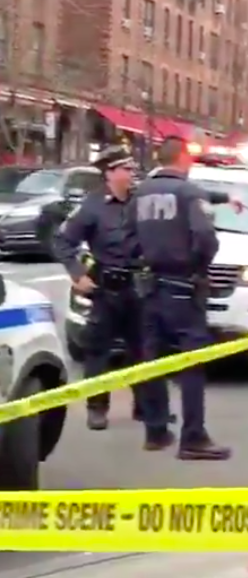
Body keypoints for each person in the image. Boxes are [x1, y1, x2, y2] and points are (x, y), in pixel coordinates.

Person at [129, 136, 230, 460]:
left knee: (152, 360)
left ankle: (155, 431)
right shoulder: (189, 192)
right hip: (184, 286)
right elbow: (205, 237)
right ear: (183, 157)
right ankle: (193, 437)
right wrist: (198, 267)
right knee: (192, 362)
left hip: (150, 286)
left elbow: (127, 237)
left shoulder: (140, 193)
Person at [52, 145, 163, 431]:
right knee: (98, 352)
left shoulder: (143, 202)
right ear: (109, 173)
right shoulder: (92, 207)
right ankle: (97, 408)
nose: (132, 173)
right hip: (107, 291)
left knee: (143, 350)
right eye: (126, 169)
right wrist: (77, 274)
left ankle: (144, 406)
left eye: (132, 168)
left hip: (139, 288)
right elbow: (63, 241)